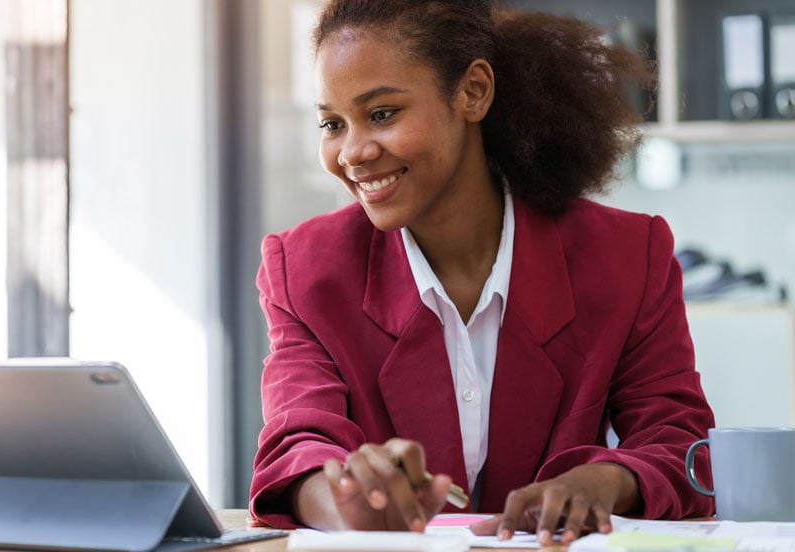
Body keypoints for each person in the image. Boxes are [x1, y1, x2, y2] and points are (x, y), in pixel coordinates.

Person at [249, 0, 715, 545]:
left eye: (382, 114)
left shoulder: (627, 256)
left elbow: (682, 443)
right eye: (333, 123)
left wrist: (605, 481)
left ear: (472, 92)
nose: (353, 152)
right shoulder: (304, 271)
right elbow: (296, 444)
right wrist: (341, 498)